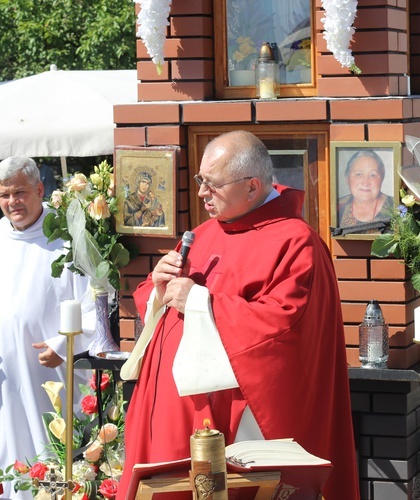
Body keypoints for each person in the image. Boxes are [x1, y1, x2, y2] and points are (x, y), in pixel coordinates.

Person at [118, 131, 360, 499]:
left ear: (252, 187)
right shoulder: (203, 233)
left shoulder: (297, 242)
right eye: (200, 181)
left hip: (237, 421)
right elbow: (160, 304)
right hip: (173, 413)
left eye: (211, 184)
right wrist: (159, 288)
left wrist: (200, 302)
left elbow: (284, 326)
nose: (201, 193)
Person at [0, 156, 93, 490]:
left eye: (20, 192)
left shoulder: (68, 236)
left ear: (40, 189)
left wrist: (64, 346)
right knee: (13, 464)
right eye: (4, 195)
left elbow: (93, 303)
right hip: (5, 378)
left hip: (54, 376)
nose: (13, 202)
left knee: (58, 458)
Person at [337, 149, 394, 234]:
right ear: (347, 178)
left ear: (382, 178)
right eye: (359, 174)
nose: (365, 182)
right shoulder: (336, 207)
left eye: (373, 175)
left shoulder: (397, 207)